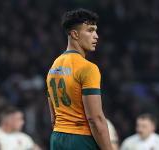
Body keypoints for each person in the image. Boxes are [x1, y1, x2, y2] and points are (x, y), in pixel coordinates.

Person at [46, 8, 112, 150]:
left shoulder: (53, 67)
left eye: (95, 30)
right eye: (90, 30)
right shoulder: (88, 68)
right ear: (75, 34)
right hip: (81, 139)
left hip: (57, 137)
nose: (96, 36)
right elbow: (95, 119)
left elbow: (53, 118)